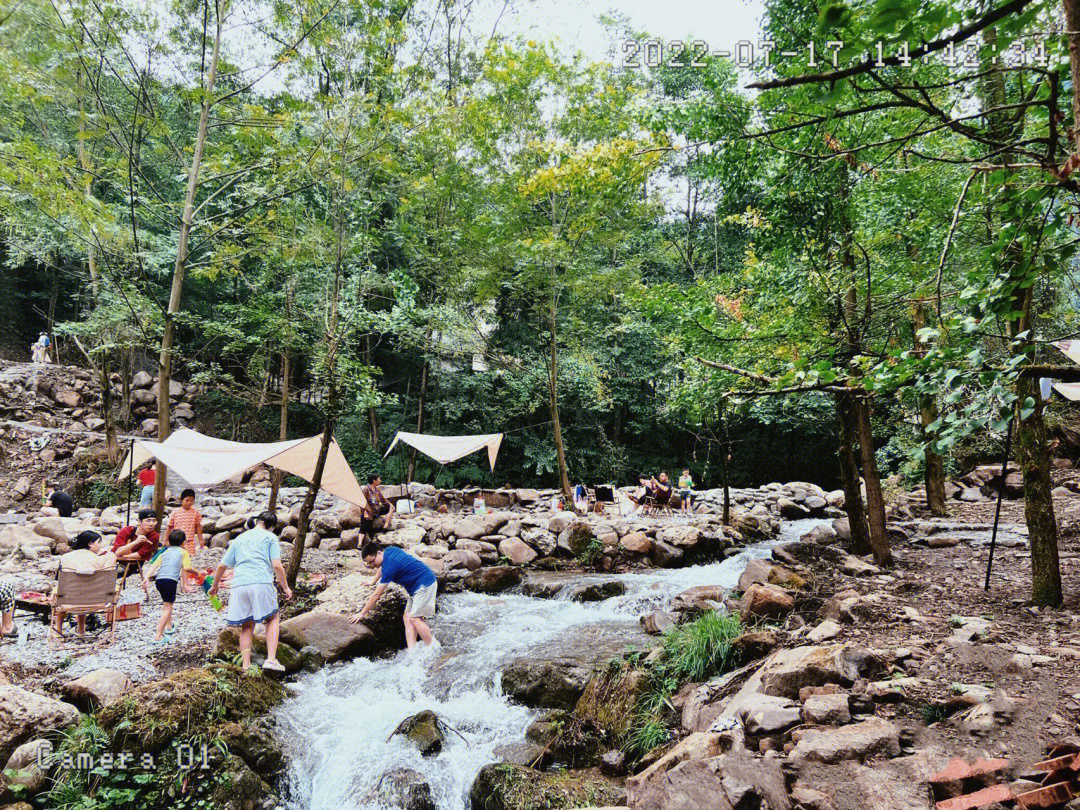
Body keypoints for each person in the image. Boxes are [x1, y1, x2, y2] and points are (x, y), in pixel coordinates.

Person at [208, 512, 292, 672]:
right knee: (273, 618)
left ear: (257, 522)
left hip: (239, 585)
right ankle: (271, 660)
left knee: (247, 625)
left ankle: (246, 666)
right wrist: (286, 587)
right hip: (261, 582)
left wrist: (215, 586)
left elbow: (221, 566)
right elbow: (276, 565)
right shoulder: (270, 537)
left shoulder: (240, 538)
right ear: (271, 526)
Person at [349, 542, 437, 649]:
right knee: (407, 617)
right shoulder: (390, 550)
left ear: (379, 553)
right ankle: (412, 651)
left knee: (415, 619)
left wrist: (362, 614)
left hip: (425, 584)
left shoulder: (389, 567)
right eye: (369, 564)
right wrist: (373, 581)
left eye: (372, 561)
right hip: (415, 587)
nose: (372, 566)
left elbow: (376, 595)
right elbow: (381, 567)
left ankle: (433, 647)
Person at [54, 530, 116, 635]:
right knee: (85, 588)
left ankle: (58, 631)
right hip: (97, 601)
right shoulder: (99, 560)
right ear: (90, 544)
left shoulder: (65, 558)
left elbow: (59, 581)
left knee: (62, 591)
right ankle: (81, 630)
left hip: (68, 602)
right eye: (98, 543)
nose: (100, 546)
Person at [142, 530, 196, 644]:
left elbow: (154, 566)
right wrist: (197, 573)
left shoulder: (164, 553)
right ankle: (158, 635)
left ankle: (169, 626)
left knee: (167, 604)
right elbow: (187, 568)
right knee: (167, 607)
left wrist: (146, 578)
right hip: (170, 581)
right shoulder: (183, 552)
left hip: (159, 581)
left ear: (169, 542)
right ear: (184, 542)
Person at [167, 489, 204, 586]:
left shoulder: (195, 513)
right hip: (176, 541)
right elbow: (170, 526)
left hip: (189, 541)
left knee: (186, 564)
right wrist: (166, 540)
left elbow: (198, 527)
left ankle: (185, 583)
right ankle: (174, 579)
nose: (189, 503)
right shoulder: (175, 512)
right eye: (187, 500)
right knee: (176, 561)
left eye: (192, 501)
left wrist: (201, 540)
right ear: (181, 500)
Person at [361, 474, 395, 540]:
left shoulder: (377, 490)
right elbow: (362, 502)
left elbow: (383, 500)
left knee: (391, 508)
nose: (380, 480)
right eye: (379, 479)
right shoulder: (366, 489)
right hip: (369, 511)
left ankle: (385, 526)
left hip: (376, 510)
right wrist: (365, 512)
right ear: (374, 480)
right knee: (365, 528)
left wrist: (390, 504)